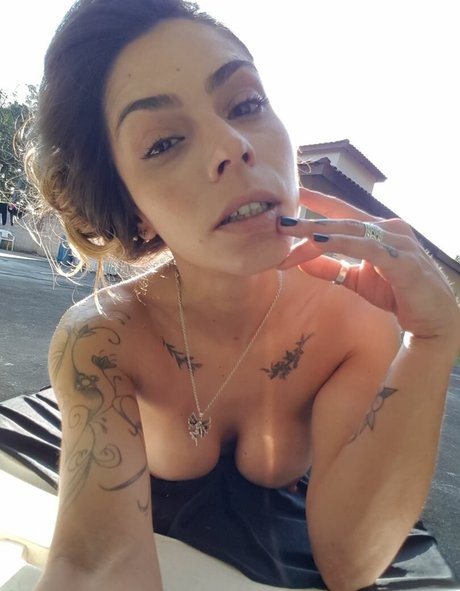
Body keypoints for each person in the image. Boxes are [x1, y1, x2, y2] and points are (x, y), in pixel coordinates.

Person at [23, 0, 459, 590]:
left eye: (246, 104)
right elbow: (96, 564)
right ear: (134, 210)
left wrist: (431, 342)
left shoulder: (357, 314)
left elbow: (348, 563)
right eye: (164, 142)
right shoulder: (102, 337)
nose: (232, 145)